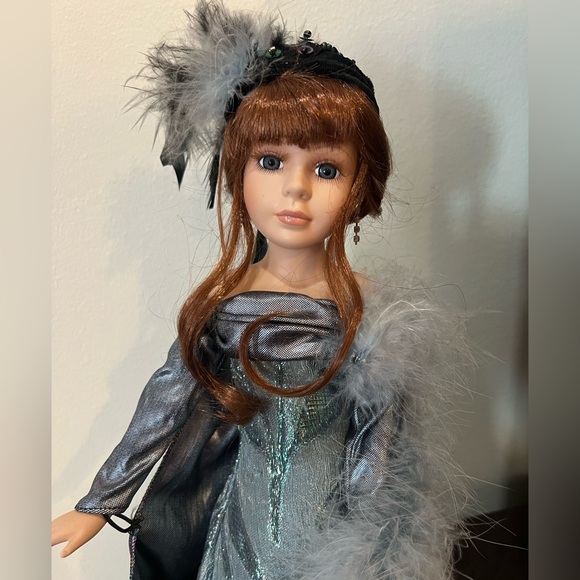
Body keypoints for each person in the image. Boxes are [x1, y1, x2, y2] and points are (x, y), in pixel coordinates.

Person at [52, 2, 469, 578]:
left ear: (359, 186)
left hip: (328, 547)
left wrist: (371, 558)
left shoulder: (373, 323)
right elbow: (165, 403)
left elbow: (377, 461)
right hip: (238, 535)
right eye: (271, 161)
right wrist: (99, 503)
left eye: (326, 169)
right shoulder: (222, 310)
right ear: (237, 170)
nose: (296, 189)